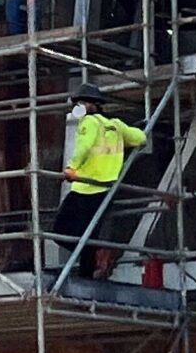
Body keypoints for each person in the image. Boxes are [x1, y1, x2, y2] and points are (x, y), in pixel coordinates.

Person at [54, 82, 146, 279]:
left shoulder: (89, 123)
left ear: (93, 104)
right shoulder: (116, 125)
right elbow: (140, 138)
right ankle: (89, 269)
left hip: (84, 186)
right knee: (89, 233)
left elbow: (84, 147)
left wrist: (71, 167)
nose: (78, 107)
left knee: (59, 229)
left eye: (81, 102)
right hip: (105, 188)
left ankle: (95, 255)